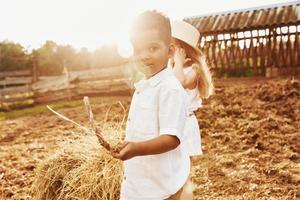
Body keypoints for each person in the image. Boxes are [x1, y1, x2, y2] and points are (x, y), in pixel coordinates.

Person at [113, 11, 190, 200]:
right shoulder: (144, 86)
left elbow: (171, 138)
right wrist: (129, 144)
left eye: (152, 48)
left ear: (170, 51)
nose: (144, 56)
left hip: (160, 188)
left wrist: (135, 148)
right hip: (138, 182)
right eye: (138, 50)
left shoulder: (169, 89)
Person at [169, 20, 214, 199]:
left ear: (181, 48)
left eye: (171, 47)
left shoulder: (193, 69)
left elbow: (180, 83)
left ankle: (185, 195)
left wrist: (178, 63)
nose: (168, 51)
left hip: (186, 124)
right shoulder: (173, 67)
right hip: (173, 122)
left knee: (184, 168)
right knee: (172, 166)